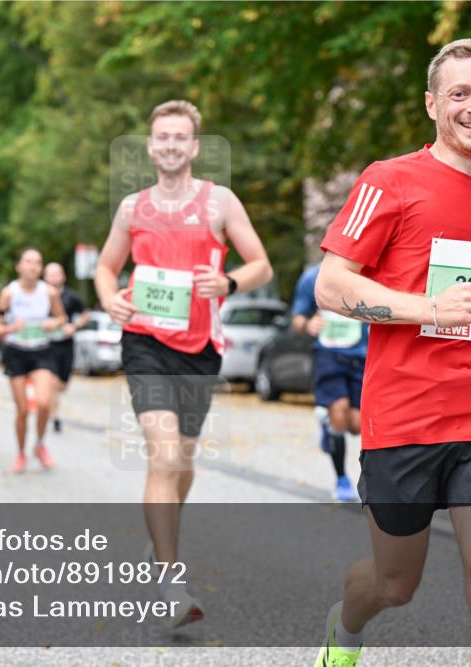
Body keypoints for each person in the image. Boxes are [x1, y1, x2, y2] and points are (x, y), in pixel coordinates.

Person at [311, 39, 471, 667]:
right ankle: (346, 627)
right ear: (431, 104)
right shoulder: (389, 181)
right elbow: (332, 286)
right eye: (460, 93)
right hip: (404, 420)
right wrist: (430, 309)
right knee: (395, 585)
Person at [95, 99, 272, 627]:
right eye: (162, 137)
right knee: (165, 457)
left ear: (193, 147)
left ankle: (161, 540)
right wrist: (110, 299)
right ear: (151, 147)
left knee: (183, 461)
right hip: (145, 341)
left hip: (200, 348)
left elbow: (261, 265)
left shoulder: (219, 202)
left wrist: (229, 282)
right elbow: (106, 268)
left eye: (180, 137)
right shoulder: (132, 208)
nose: (170, 145)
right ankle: (170, 582)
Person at [292, 263, 367, 501]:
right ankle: (342, 479)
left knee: (356, 425)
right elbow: (297, 319)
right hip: (328, 356)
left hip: (361, 357)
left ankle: (328, 427)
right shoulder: (312, 277)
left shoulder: (368, 273)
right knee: (339, 411)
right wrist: (308, 325)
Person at [0, 249, 67, 473]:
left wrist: (53, 324)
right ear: (19, 266)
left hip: (41, 351)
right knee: (23, 410)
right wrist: (10, 328)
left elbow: (62, 318)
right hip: (16, 352)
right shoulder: (9, 293)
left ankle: (40, 444)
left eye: (37, 262)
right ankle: (21, 453)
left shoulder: (49, 292)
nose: (33, 266)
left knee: (44, 403)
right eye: (28, 262)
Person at [43, 261, 90, 433]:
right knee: (52, 382)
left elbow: (85, 314)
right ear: (45, 277)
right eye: (50, 274)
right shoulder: (39, 296)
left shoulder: (71, 296)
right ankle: (55, 417)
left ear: (63, 276)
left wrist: (74, 326)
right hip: (46, 345)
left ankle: (50, 402)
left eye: (57, 274)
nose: (54, 277)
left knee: (62, 384)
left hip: (65, 345)